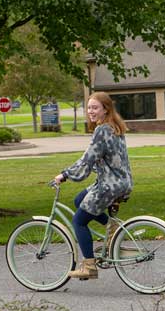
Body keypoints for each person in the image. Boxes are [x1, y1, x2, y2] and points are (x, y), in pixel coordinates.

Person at [54, 91, 133, 280]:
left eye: (95, 107)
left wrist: (65, 174)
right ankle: (111, 228)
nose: (91, 111)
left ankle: (89, 266)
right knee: (79, 199)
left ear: (105, 109)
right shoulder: (115, 128)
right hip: (122, 182)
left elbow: (87, 159)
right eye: (89, 107)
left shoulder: (102, 130)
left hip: (109, 185)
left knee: (79, 221)